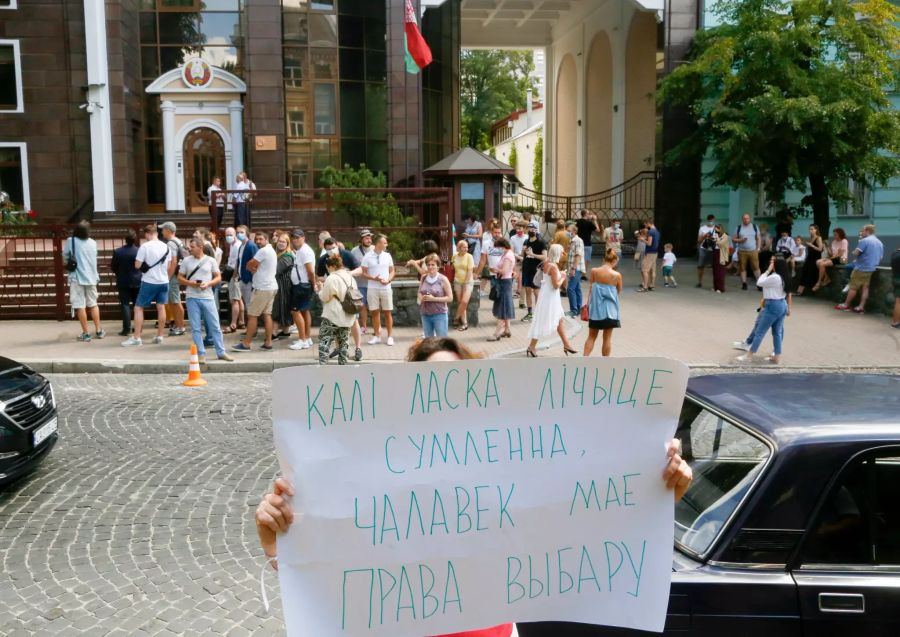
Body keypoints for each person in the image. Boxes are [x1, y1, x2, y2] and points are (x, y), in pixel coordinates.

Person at [177, 237, 233, 363]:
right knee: (196, 327)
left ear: (200, 247)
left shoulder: (210, 260)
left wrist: (208, 284)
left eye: (192, 247)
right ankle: (201, 353)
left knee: (215, 326)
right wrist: (190, 283)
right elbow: (180, 277)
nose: (189, 249)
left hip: (207, 296)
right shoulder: (186, 261)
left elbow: (218, 277)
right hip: (192, 296)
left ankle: (221, 352)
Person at [122, 224, 174, 346]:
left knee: (138, 308)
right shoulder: (166, 247)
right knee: (161, 308)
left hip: (149, 281)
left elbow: (137, 265)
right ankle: (160, 335)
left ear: (148, 234)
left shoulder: (145, 247)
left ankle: (136, 338)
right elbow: (168, 265)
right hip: (164, 281)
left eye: (145, 235)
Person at [736, 254, 792, 364]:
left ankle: (749, 355)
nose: (771, 263)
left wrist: (767, 271)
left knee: (760, 332)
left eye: (773, 262)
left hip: (772, 305)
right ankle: (777, 357)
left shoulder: (775, 277)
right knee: (777, 332)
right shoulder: (784, 276)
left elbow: (759, 282)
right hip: (781, 304)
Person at [524, 244, 576, 357]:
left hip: (547, 295)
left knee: (558, 319)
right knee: (545, 320)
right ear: (558, 253)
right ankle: (532, 346)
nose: (563, 254)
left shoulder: (547, 262)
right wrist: (562, 276)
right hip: (550, 296)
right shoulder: (553, 266)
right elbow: (556, 285)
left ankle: (566, 344)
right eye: (562, 252)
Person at [232, 231, 278, 352]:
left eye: (260, 239)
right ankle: (268, 342)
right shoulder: (271, 250)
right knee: (267, 315)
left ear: (266, 239)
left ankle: (246, 344)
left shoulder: (263, 251)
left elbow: (249, 264)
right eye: (256, 239)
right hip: (271, 286)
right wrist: (254, 268)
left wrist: (252, 269)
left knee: (252, 315)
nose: (258, 241)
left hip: (262, 287)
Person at [62, 221, 103, 341]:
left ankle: (86, 333)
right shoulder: (93, 243)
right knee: (93, 304)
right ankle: (99, 330)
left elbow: (65, 257)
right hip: (91, 277)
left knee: (80, 305)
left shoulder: (71, 241)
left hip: (77, 278)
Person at [317, 254, 358, 365]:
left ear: (331, 267)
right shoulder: (350, 277)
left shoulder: (332, 278)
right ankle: (343, 367)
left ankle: (323, 367)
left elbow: (325, 297)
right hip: (348, 315)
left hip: (333, 315)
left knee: (325, 340)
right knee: (343, 342)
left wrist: (320, 289)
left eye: (327, 268)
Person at [835, 224, 884, 314]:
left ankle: (846, 305)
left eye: (863, 230)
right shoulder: (879, 242)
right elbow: (880, 257)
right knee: (865, 288)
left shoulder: (864, 241)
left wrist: (854, 252)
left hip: (861, 267)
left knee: (853, 287)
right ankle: (861, 307)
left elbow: (856, 253)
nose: (862, 232)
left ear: (867, 231)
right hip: (871, 268)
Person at [583, 248, 622, 357]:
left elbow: (591, 289)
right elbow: (618, 291)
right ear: (614, 261)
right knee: (607, 338)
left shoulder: (594, 271)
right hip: (611, 311)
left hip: (596, 310)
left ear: (603, 259)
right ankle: (605, 362)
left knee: (591, 336)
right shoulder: (617, 275)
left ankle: (584, 359)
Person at [361, 234, 395, 346]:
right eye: (384, 242)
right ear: (378, 243)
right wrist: (373, 278)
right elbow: (364, 273)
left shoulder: (388, 256)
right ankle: (377, 335)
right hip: (372, 288)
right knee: (375, 312)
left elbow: (392, 271)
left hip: (386, 288)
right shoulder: (367, 256)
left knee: (387, 312)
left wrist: (388, 280)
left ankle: (390, 337)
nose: (386, 245)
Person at [288, 229, 317, 351]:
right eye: (293, 238)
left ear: (303, 238)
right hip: (302, 284)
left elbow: (310, 271)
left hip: (302, 285)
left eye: (298, 237)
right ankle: (307, 337)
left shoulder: (304, 251)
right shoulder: (301, 250)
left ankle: (302, 340)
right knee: (305, 311)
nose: (295, 240)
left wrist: (313, 283)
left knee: (295, 311)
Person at [110, 229, 141, 336]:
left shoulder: (118, 252)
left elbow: (113, 266)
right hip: (137, 280)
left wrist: (119, 273)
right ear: (135, 239)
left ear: (125, 239)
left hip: (123, 280)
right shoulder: (139, 251)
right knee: (138, 305)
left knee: (125, 305)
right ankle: (138, 327)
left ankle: (126, 329)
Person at [160, 221, 186, 336]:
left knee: (175, 301)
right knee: (175, 301)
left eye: (163, 229)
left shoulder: (171, 243)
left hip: (173, 276)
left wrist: (168, 277)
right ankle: (178, 325)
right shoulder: (178, 241)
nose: (161, 232)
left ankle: (180, 326)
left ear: (168, 231)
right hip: (177, 274)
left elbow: (174, 261)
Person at [418, 254, 453, 338]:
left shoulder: (443, 279)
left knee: (441, 341)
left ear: (438, 266)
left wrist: (433, 299)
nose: (430, 267)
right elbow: (419, 292)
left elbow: (450, 298)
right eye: (428, 265)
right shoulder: (423, 278)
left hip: (439, 315)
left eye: (433, 264)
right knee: (428, 342)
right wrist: (421, 298)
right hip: (425, 314)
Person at [487, 237, 515, 341]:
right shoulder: (506, 254)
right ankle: (507, 330)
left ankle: (496, 333)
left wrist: (495, 269)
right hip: (504, 282)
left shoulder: (508, 256)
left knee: (502, 308)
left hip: (504, 282)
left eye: (498, 248)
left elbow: (504, 271)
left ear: (503, 246)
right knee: (505, 306)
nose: (498, 250)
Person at [521, 220, 546, 321]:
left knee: (536, 292)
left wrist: (533, 255)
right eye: (529, 228)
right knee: (527, 291)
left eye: (533, 228)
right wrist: (523, 252)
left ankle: (539, 314)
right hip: (526, 269)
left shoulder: (541, 242)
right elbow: (524, 256)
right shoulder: (526, 241)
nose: (531, 230)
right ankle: (530, 313)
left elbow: (545, 257)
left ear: (536, 230)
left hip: (537, 271)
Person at [350, 229, 374, 334]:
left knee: (374, 306)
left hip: (373, 283)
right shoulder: (354, 251)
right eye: (366, 238)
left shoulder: (375, 249)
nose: (369, 240)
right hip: (360, 283)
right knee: (362, 305)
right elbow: (351, 265)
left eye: (370, 238)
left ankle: (376, 328)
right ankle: (363, 327)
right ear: (361, 239)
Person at [222, 227, 246, 334]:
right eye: (227, 234)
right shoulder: (232, 245)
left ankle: (233, 323)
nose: (228, 237)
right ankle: (241, 321)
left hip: (234, 274)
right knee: (239, 299)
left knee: (234, 300)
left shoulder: (237, 245)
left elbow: (238, 261)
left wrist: (234, 274)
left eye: (230, 234)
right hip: (232, 272)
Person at [272, 233, 295, 339]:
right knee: (283, 308)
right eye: (279, 241)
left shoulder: (287, 256)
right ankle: (285, 331)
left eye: (283, 242)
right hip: (280, 284)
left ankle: (274, 333)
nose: (281, 244)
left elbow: (277, 270)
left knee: (278, 307)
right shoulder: (279, 254)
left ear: (288, 243)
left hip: (283, 286)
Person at [732, 213, 761, 290]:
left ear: (750, 219)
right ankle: (744, 284)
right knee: (742, 268)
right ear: (742, 219)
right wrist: (740, 240)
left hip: (753, 250)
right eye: (744, 218)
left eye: (747, 218)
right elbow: (733, 239)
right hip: (742, 251)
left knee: (756, 267)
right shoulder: (738, 228)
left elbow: (758, 238)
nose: (746, 220)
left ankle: (759, 284)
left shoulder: (755, 227)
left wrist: (758, 248)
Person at [236, 224, 258, 322]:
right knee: (247, 304)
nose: (239, 234)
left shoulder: (251, 245)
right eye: (238, 232)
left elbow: (255, 262)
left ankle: (252, 329)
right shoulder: (241, 246)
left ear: (247, 233)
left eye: (242, 232)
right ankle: (250, 328)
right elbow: (240, 262)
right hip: (242, 278)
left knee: (250, 305)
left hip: (249, 280)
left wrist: (252, 279)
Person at [451, 240, 475, 330]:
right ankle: (465, 323)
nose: (466, 249)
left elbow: (470, 271)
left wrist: (466, 282)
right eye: (464, 247)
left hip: (467, 282)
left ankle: (456, 318)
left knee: (464, 301)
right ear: (459, 248)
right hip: (457, 280)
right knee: (460, 302)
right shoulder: (454, 256)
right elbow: (453, 267)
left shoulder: (469, 257)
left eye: (467, 247)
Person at [795, 224, 823, 295]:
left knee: (810, 273)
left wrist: (812, 245)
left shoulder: (818, 238)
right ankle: (799, 291)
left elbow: (820, 249)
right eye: (809, 229)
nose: (810, 230)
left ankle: (810, 291)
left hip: (815, 259)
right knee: (804, 272)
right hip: (809, 258)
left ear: (816, 230)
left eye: (812, 229)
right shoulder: (811, 238)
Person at [564, 221, 584, 317]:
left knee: (570, 289)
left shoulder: (577, 241)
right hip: (575, 268)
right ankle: (578, 308)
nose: (567, 232)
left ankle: (573, 310)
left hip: (577, 268)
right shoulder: (572, 241)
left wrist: (573, 269)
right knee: (577, 288)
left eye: (568, 231)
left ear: (574, 231)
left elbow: (578, 255)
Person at [638, 220, 660, 292]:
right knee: (652, 270)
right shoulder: (657, 231)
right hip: (655, 252)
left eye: (646, 224)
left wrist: (643, 240)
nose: (646, 226)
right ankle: (652, 285)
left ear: (648, 223)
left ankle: (645, 287)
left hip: (650, 252)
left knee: (644, 270)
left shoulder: (651, 232)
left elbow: (649, 243)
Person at [509, 222, 528, 305]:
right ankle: (516, 291)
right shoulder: (513, 238)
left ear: (524, 229)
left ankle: (520, 293)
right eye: (517, 229)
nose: (518, 230)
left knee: (522, 277)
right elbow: (511, 250)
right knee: (516, 275)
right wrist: (518, 257)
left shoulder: (527, 237)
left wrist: (523, 257)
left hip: (526, 259)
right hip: (516, 259)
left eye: (520, 228)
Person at [696, 214, 717, 288]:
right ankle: (699, 282)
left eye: (712, 221)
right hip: (703, 248)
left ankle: (715, 284)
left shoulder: (717, 228)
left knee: (714, 267)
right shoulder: (702, 228)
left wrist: (713, 238)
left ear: (714, 220)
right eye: (709, 221)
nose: (710, 222)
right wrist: (705, 236)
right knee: (700, 266)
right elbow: (698, 240)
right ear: (707, 221)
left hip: (713, 249)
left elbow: (721, 240)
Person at [712, 224, 730, 293]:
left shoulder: (725, 236)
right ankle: (715, 287)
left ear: (720, 229)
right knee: (715, 271)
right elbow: (713, 245)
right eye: (715, 229)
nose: (716, 231)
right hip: (715, 253)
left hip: (721, 255)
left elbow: (720, 244)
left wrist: (716, 238)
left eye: (717, 229)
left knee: (720, 272)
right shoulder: (715, 236)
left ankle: (720, 288)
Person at [891, 247, 899, 329]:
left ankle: (895, 321)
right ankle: (896, 322)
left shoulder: (895, 254)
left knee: (898, 301)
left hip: (895, 278)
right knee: (899, 302)